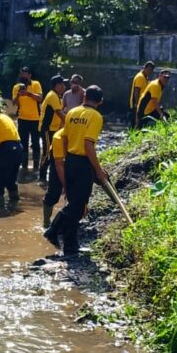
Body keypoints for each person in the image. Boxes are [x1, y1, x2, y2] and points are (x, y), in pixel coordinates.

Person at [43, 85, 108, 258]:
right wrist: (98, 170)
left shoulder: (71, 113)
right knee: (78, 206)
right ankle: (63, 239)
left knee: (73, 203)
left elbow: (65, 139)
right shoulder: (95, 116)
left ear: (84, 96)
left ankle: (61, 238)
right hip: (82, 163)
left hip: (70, 160)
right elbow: (88, 145)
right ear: (100, 101)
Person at [12, 67, 43, 174]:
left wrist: (28, 94)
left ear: (30, 75)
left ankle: (36, 167)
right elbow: (14, 103)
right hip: (22, 119)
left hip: (35, 119)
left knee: (35, 143)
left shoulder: (36, 84)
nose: (23, 76)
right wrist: (18, 95)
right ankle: (24, 166)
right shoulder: (16, 87)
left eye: (25, 74)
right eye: (22, 74)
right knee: (23, 143)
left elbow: (40, 99)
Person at [38, 75, 67, 184]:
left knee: (55, 153)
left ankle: (52, 176)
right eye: (62, 84)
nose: (64, 86)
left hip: (55, 129)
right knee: (46, 153)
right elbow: (60, 114)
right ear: (57, 85)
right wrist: (71, 124)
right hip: (47, 129)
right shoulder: (52, 96)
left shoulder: (59, 97)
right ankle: (41, 177)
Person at [41, 126, 67, 229]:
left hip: (75, 157)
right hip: (57, 158)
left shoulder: (83, 133)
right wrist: (65, 186)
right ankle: (46, 223)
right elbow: (59, 164)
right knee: (53, 192)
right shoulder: (58, 137)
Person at [129, 61, 155, 128]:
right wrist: (137, 104)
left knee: (139, 121)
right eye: (149, 70)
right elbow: (136, 91)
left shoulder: (145, 77)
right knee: (135, 122)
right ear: (145, 68)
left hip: (142, 103)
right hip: (137, 103)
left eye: (151, 70)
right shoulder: (140, 77)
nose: (150, 72)